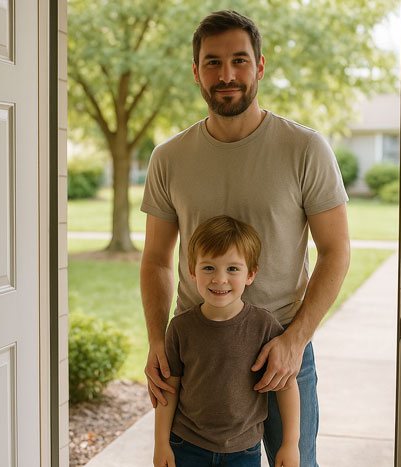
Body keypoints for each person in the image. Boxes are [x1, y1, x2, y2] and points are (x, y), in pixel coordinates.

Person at [140, 10, 350, 467]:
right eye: (212, 62)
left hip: (279, 349)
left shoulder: (305, 149)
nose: (227, 74)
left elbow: (336, 251)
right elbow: (156, 258)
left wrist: (295, 341)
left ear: (260, 65)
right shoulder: (169, 158)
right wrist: (159, 340)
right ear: (196, 71)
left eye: (239, 59)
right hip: (197, 353)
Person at [153, 215, 299, 467]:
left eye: (232, 269)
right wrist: (160, 444)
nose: (219, 279)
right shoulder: (180, 328)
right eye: (208, 267)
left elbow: (287, 386)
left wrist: (290, 444)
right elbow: (169, 390)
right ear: (192, 271)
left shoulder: (264, 327)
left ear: (250, 274)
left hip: (243, 451)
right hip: (186, 445)